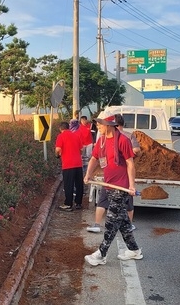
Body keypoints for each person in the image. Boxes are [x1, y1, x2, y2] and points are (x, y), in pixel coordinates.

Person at [83, 114, 143, 266]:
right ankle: (134, 250)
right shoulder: (101, 141)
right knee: (122, 221)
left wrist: (131, 185)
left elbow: (130, 164)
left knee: (111, 221)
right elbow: (94, 159)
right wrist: (88, 174)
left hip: (121, 186)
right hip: (109, 185)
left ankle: (101, 254)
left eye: (100, 125)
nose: (98, 127)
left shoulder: (122, 140)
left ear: (109, 125)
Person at [55, 121, 84, 211]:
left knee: (69, 185)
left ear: (60, 129)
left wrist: (57, 155)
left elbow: (58, 149)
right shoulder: (76, 136)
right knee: (79, 184)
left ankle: (68, 204)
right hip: (78, 164)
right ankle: (78, 203)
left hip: (68, 165)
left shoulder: (61, 136)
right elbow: (81, 150)